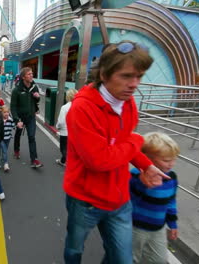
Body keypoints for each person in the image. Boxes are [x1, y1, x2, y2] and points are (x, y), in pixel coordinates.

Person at [62, 41, 169, 263]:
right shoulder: (82, 109)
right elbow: (99, 160)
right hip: (85, 201)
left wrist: (145, 165)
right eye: (126, 76)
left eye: (139, 76)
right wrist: (138, 140)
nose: (134, 84)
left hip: (119, 199)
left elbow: (123, 143)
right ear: (104, 73)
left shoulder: (127, 102)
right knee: (74, 249)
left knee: (122, 259)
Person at [131, 132, 180, 264]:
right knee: (128, 258)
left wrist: (173, 224)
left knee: (159, 260)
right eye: (166, 160)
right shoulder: (135, 175)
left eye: (174, 159)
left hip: (158, 228)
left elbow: (170, 201)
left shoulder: (171, 177)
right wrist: (143, 184)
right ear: (148, 158)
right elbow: (129, 200)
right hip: (136, 227)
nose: (171, 164)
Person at [10, 67, 43, 168]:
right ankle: (16, 150)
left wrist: (38, 98)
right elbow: (13, 107)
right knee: (18, 134)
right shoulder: (16, 90)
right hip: (20, 118)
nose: (31, 75)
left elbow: (37, 101)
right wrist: (16, 120)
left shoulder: (34, 87)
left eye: (32, 73)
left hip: (31, 117)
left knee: (32, 137)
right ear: (23, 77)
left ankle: (34, 159)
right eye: (29, 74)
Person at [55, 88, 77, 166]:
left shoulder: (64, 107)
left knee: (63, 149)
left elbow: (61, 121)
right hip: (75, 132)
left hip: (65, 132)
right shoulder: (78, 106)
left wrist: (57, 127)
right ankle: (63, 161)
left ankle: (67, 162)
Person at [0, 106, 14, 172]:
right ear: (1, 113)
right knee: (4, 150)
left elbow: (14, 126)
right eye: (4, 112)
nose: (6, 113)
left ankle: (2, 158)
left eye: (7, 112)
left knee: (5, 150)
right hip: (1, 138)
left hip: (8, 138)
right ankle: (6, 164)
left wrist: (19, 125)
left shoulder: (10, 120)